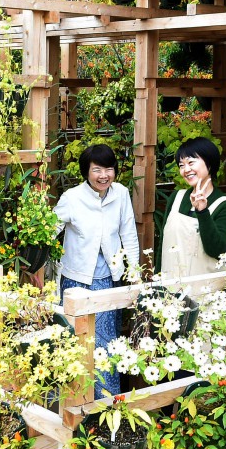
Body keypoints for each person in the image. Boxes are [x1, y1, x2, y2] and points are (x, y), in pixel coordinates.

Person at [53, 144, 139, 396]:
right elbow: (49, 232)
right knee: (74, 341)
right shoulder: (71, 198)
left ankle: (105, 402)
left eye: (109, 169)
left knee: (105, 344)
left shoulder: (120, 194)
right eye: (97, 170)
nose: (104, 176)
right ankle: (73, 399)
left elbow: (129, 235)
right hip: (75, 282)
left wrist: (134, 273)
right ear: (86, 172)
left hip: (107, 280)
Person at [158, 136, 226, 279]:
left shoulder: (225, 205)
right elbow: (163, 244)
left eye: (191, 162)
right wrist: (156, 282)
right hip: (169, 288)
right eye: (181, 165)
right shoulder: (177, 197)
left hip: (205, 291)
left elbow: (218, 251)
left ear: (209, 163)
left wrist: (203, 212)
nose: (186, 170)